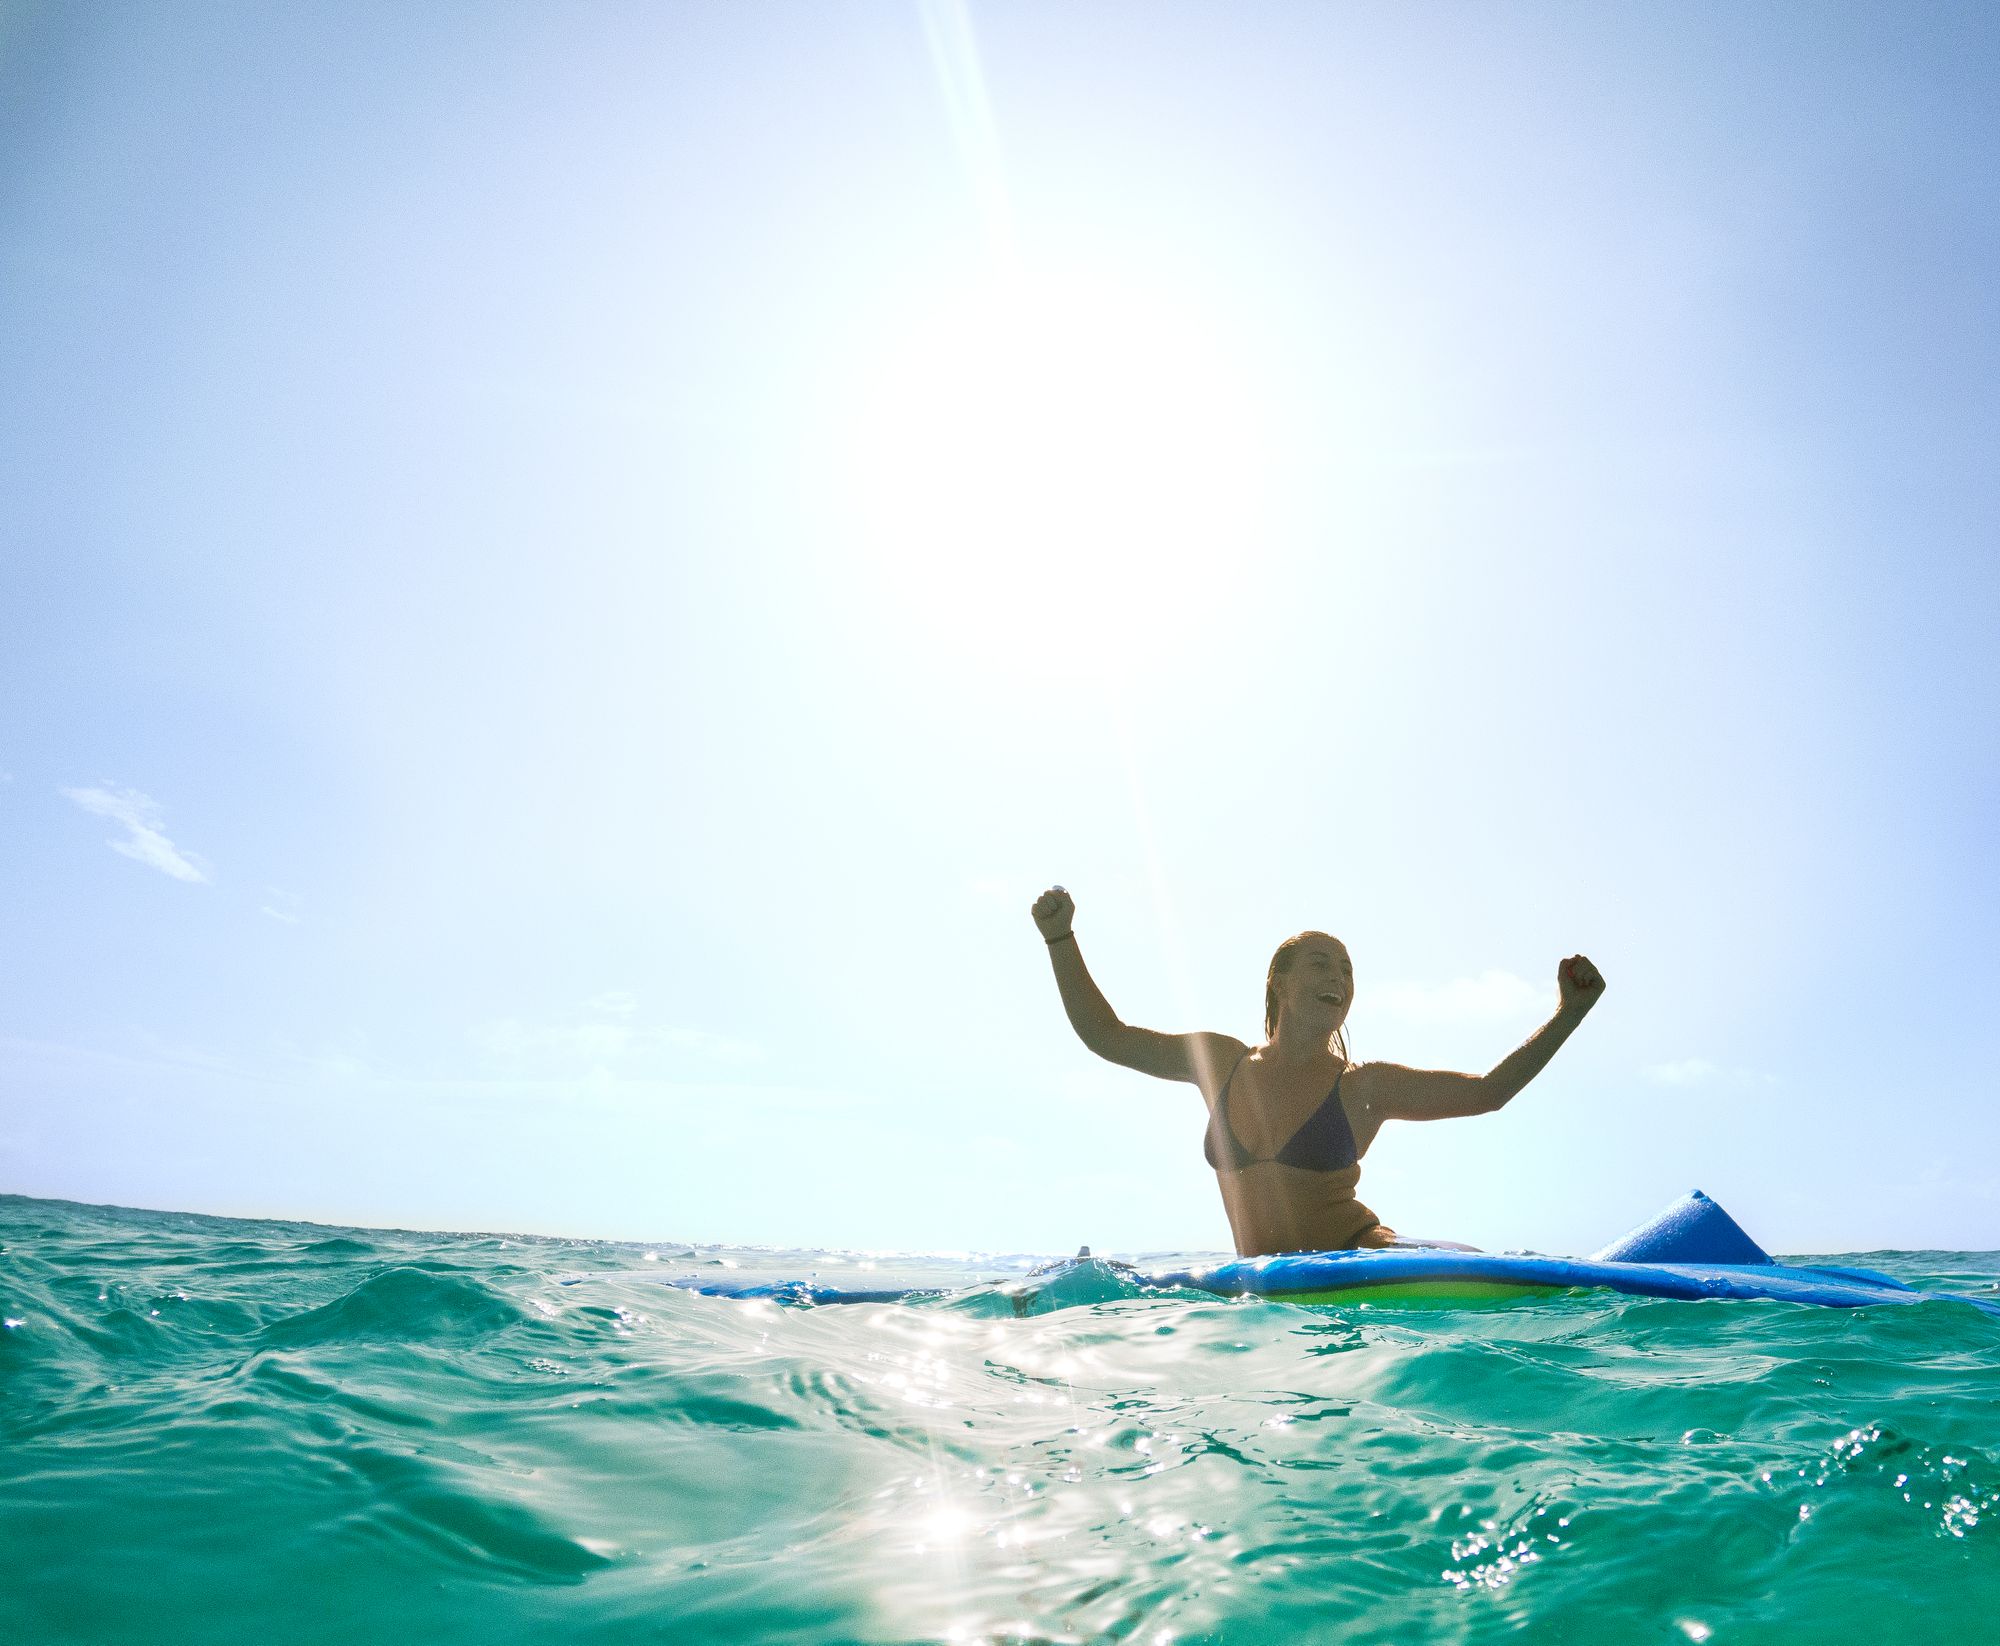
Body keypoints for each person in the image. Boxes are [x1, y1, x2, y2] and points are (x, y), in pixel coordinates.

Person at [1030, 886, 1606, 1258]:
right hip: (1268, 1289)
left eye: (1348, 970)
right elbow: (1106, 1036)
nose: (1339, 978)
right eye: (1321, 963)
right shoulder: (1220, 1062)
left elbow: (1489, 1092)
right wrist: (1060, 939)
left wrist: (1568, 1013)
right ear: (1278, 982)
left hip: (1361, 1264)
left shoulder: (1364, 1086)